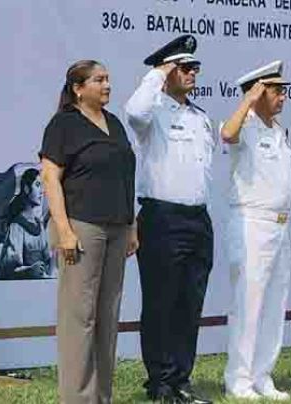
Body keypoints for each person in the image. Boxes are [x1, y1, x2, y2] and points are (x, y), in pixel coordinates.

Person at [39, 59, 138, 404]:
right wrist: (64, 230)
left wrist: (132, 224)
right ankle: (78, 398)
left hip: (117, 228)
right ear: (79, 89)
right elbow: (50, 177)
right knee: (79, 316)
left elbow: (126, 176)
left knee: (107, 316)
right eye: (99, 80)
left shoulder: (115, 124)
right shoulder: (64, 125)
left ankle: (101, 397)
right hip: (83, 227)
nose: (107, 85)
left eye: (108, 79)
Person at [125, 35, 215, 404]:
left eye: (195, 67)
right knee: (161, 301)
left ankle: (181, 378)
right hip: (162, 218)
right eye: (184, 67)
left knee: (189, 303)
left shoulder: (200, 116)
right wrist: (155, 75)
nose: (193, 72)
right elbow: (134, 112)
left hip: (197, 219)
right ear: (166, 71)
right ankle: (160, 381)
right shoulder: (153, 112)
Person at [219, 61, 291, 401]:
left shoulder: (278, 129)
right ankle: (239, 379)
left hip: (280, 224)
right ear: (257, 92)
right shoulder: (244, 124)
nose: (283, 96)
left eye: (283, 90)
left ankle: (263, 374)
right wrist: (247, 101)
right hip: (252, 221)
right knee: (248, 303)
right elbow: (227, 135)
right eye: (276, 90)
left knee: (274, 303)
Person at [0, 167, 53, 280]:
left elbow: (48, 267)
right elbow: (9, 270)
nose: (42, 191)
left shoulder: (39, 225)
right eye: (38, 185)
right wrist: (30, 270)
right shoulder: (16, 227)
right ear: (26, 189)